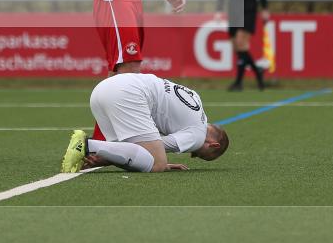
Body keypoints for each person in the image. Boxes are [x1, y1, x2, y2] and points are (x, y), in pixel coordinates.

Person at [60, 72, 229, 173]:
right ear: (212, 144)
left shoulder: (196, 101)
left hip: (103, 89)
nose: (192, 154)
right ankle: (87, 145)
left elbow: (133, 151)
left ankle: (86, 152)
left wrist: (108, 158)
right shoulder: (197, 135)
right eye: (198, 154)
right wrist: (162, 162)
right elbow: (151, 149)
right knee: (158, 164)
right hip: (128, 94)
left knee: (122, 152)